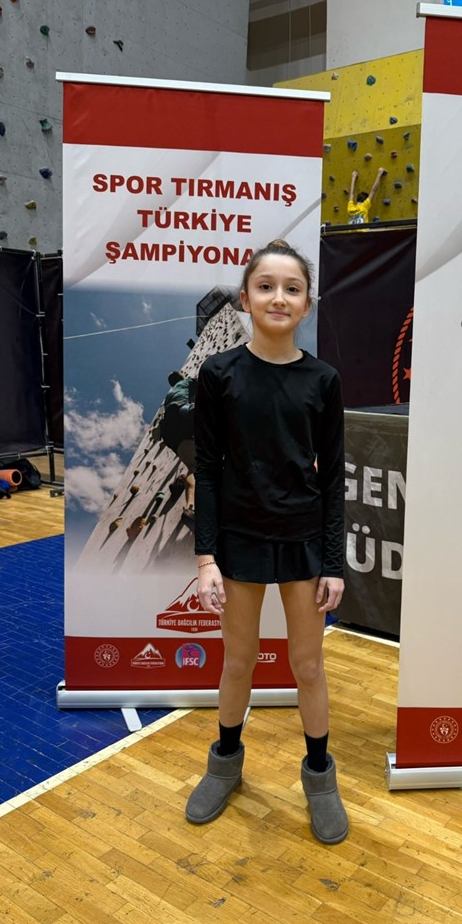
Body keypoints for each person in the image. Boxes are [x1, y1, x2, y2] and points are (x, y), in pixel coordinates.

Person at [186, 238, 348, 845]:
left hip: (303, 541)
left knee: (308, 665)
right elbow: (207, 470)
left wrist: (333, 562)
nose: (279, 297)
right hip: (239, 541)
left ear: (308, 303)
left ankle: (320, 779)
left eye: (292, 288)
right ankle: (224, 764)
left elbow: (332, 478)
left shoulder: (323, 380)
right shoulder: (218, 375)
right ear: (246, 298)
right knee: (239, 661)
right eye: (266, 286)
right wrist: (206, 557)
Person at [159, 371, 197, 514]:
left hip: (169, 432)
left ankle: (190, 507)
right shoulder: (186, 382)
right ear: (182, 376)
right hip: (183, 413)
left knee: (194, 466)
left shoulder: (169, 396)